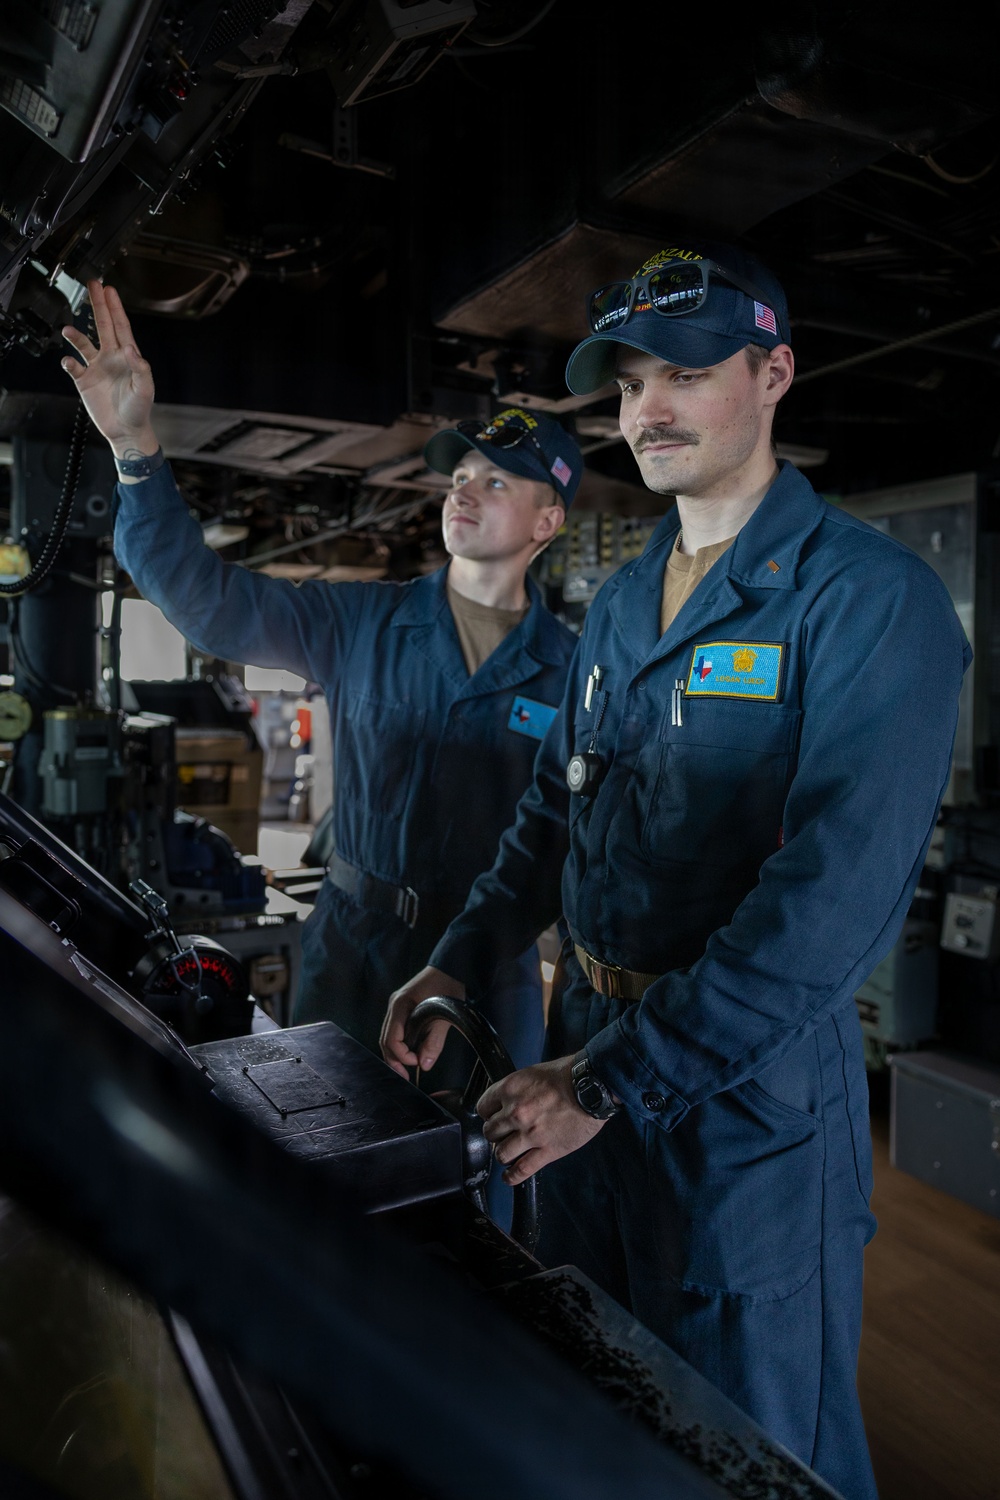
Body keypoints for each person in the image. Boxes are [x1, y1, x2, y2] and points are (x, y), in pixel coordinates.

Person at [381, 241, 970, 1498]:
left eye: (687, 373)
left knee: (756, 1447)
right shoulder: (626, 599)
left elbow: (822, 921)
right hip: (586, 1070)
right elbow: (554, 812)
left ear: (774, 375)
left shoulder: (865, 603)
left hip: (739, 1117)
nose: (647, 408)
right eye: (631, 379)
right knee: (605, 1401)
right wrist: (458, 960)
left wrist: (603, 1082)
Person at [60, 280, 581, 1078]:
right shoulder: (361, 621)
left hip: (482, 964)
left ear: (549, 522)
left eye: (497, 480)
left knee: (482, 1181)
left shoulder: (575, 671)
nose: (464, 490)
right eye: (459, 477)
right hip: (352, 949)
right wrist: (134, 449)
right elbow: (213, 603)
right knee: (330, 1160)